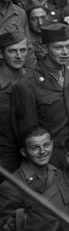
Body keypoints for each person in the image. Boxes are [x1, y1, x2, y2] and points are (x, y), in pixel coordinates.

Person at [13, 22, 69, 168]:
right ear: (45, 48)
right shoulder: (27, 84)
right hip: (51, 160)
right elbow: (30, 133)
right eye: (58, 47)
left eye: (68, 46)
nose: (65, 52)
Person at [0, 127, 59, 231]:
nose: (42, 151)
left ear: (52, 144)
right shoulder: (11, 185)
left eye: (46, 145)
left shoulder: (57, 174)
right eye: (35, 147)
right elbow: (3, 229)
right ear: (24, 152)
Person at [0, 31, 29, 171]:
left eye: (23, 50)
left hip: (30, 159)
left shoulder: (32, 79)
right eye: (12, 51)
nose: (19, 56)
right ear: (1, 54)